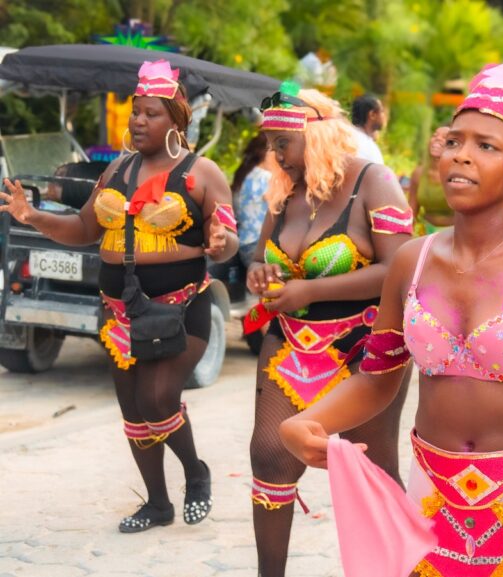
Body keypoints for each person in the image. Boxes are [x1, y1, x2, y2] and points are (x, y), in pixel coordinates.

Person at [279, 58, 503, 577]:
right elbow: (378, 380)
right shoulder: (411, 262)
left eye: (485, 146)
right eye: (454, 141)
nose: (460, 157)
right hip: (432, 489)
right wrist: (308, 420)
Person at [1, 59, 239, 532]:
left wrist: (220, 243)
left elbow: (228, 238)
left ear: (175, 119)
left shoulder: (202, 172)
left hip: (181, 307)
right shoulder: (117, 171)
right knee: (133, 411)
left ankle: (196, 472)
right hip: (119, 312)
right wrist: (32, 217)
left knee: (158, 398)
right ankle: (157, 503)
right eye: (135, 112)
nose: (138, 121)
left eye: (151, 113)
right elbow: (85, 228)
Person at [245, 83, 414, 576]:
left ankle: (402, 569)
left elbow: (400, 266)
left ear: (317, 135)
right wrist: (261, 273)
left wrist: (310, 292)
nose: (275, 155)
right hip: (289, 343)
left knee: (372, 469)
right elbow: (260, 259)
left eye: (283, 143)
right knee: (270, 455)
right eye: (271, 144)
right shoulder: (284, 194)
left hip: (362, 348)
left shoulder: (372, 181)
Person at [231, 132, 272, 268]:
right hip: (259, 244)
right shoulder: (265, 177)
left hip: (244, 243)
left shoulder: (243, 174)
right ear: (266, 153)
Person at [408, 126, 454, 233]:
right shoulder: (418, 173)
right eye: (435, 135)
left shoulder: (458, 175)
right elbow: (412, 211)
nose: (438, 139)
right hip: (425, 232)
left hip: (452, 234)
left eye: (445, 137)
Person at [350, 93, 386, 164]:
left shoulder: (343, 135)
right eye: (382, 111)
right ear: (372, 114)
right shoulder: (371, 150)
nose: (384, 115)